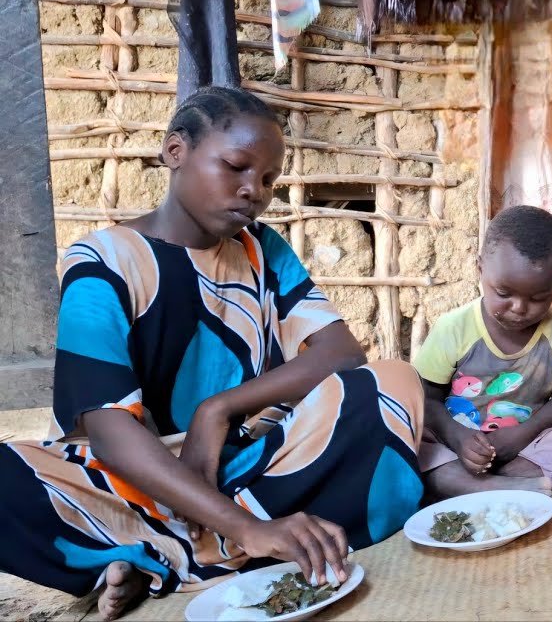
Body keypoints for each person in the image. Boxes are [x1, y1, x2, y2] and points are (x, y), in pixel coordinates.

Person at [0, 87, 427, 619]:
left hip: (251, 460)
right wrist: (246, 525)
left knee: (392, 381)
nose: (254, 191)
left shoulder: (262, 248)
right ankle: (230, 544)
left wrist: (216, 410)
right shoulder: (101, 262)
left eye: (268, 180)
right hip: (138, 478)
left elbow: (341, 353)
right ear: (176, 151)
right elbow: (110, 434)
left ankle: (158, 557)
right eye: (236, 167)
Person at [414, 205, 552, 499]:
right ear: (480, 268)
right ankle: (512, 488)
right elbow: (426, 398)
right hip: (457, 440)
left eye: (538, 297)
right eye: (503, 293)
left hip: (525, 442)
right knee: (414, 443)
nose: (519, 308)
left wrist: (521, 435)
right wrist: (458, 438)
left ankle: (475, 487)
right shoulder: (454, 328)